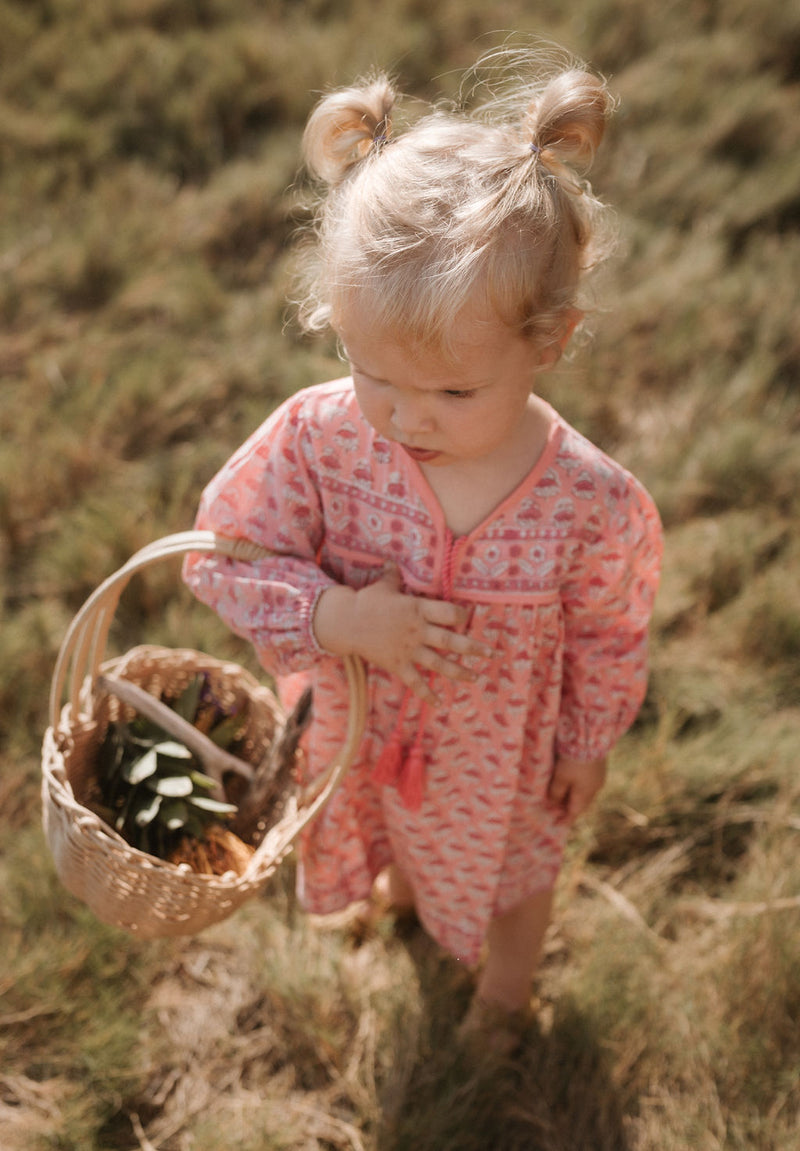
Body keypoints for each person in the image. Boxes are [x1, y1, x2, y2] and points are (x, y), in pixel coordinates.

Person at [183, 46, 662, 1052]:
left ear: (550, 339)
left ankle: (501, 997)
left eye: (451, 391)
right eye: (375, 375)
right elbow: (217, 553)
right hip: (362, 724)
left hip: (502, 759)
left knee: (511, 880)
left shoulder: (587, 501)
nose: (407, 418)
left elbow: (610, 626)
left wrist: (586, 738)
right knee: (390, 826)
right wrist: (333, 617)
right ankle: (399, 889)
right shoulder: (318, 438)